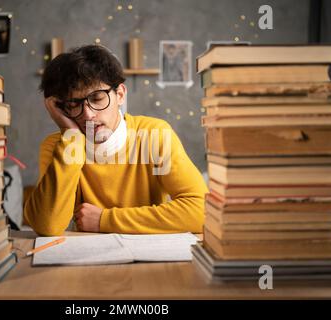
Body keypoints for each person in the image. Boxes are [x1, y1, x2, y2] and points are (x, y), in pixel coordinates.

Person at [24, 44, 208, 235]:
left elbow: (202, 211)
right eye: (73, 104)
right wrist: (71, 136)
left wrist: (104, 220)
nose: (88, 115)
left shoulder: (154, 134)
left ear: (120, 95)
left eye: (97, 98)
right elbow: (47, 225)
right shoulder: (57, 145)